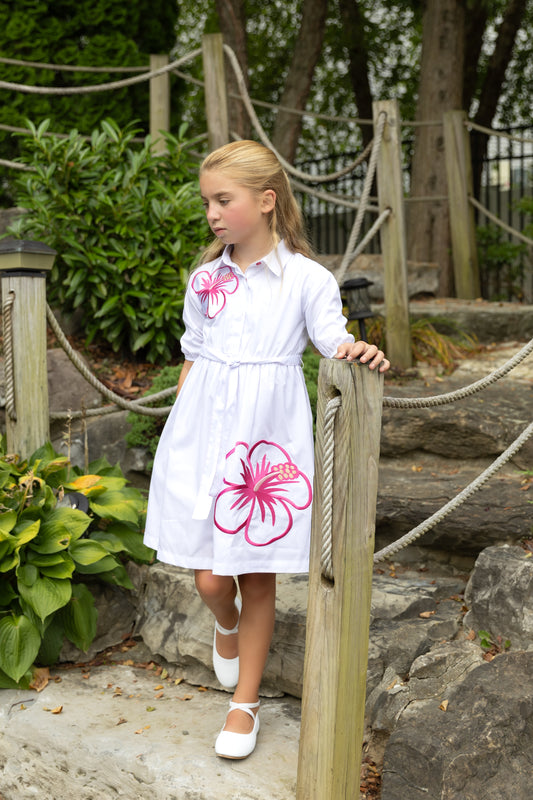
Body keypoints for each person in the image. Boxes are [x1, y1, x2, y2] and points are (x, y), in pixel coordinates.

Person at [144, 139, 390, 760]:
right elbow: (192, 357)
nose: (213, 213)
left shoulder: (307, 279)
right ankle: (222, 625)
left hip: (265, 449)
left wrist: (356, 351)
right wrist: (179, 435)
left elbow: (331, 339)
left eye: (223, 200)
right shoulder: (205, 280)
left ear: (266, 200)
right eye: (207, 202)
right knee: (207, 578)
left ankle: (244, 704)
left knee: (255, 576)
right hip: (204, 434)